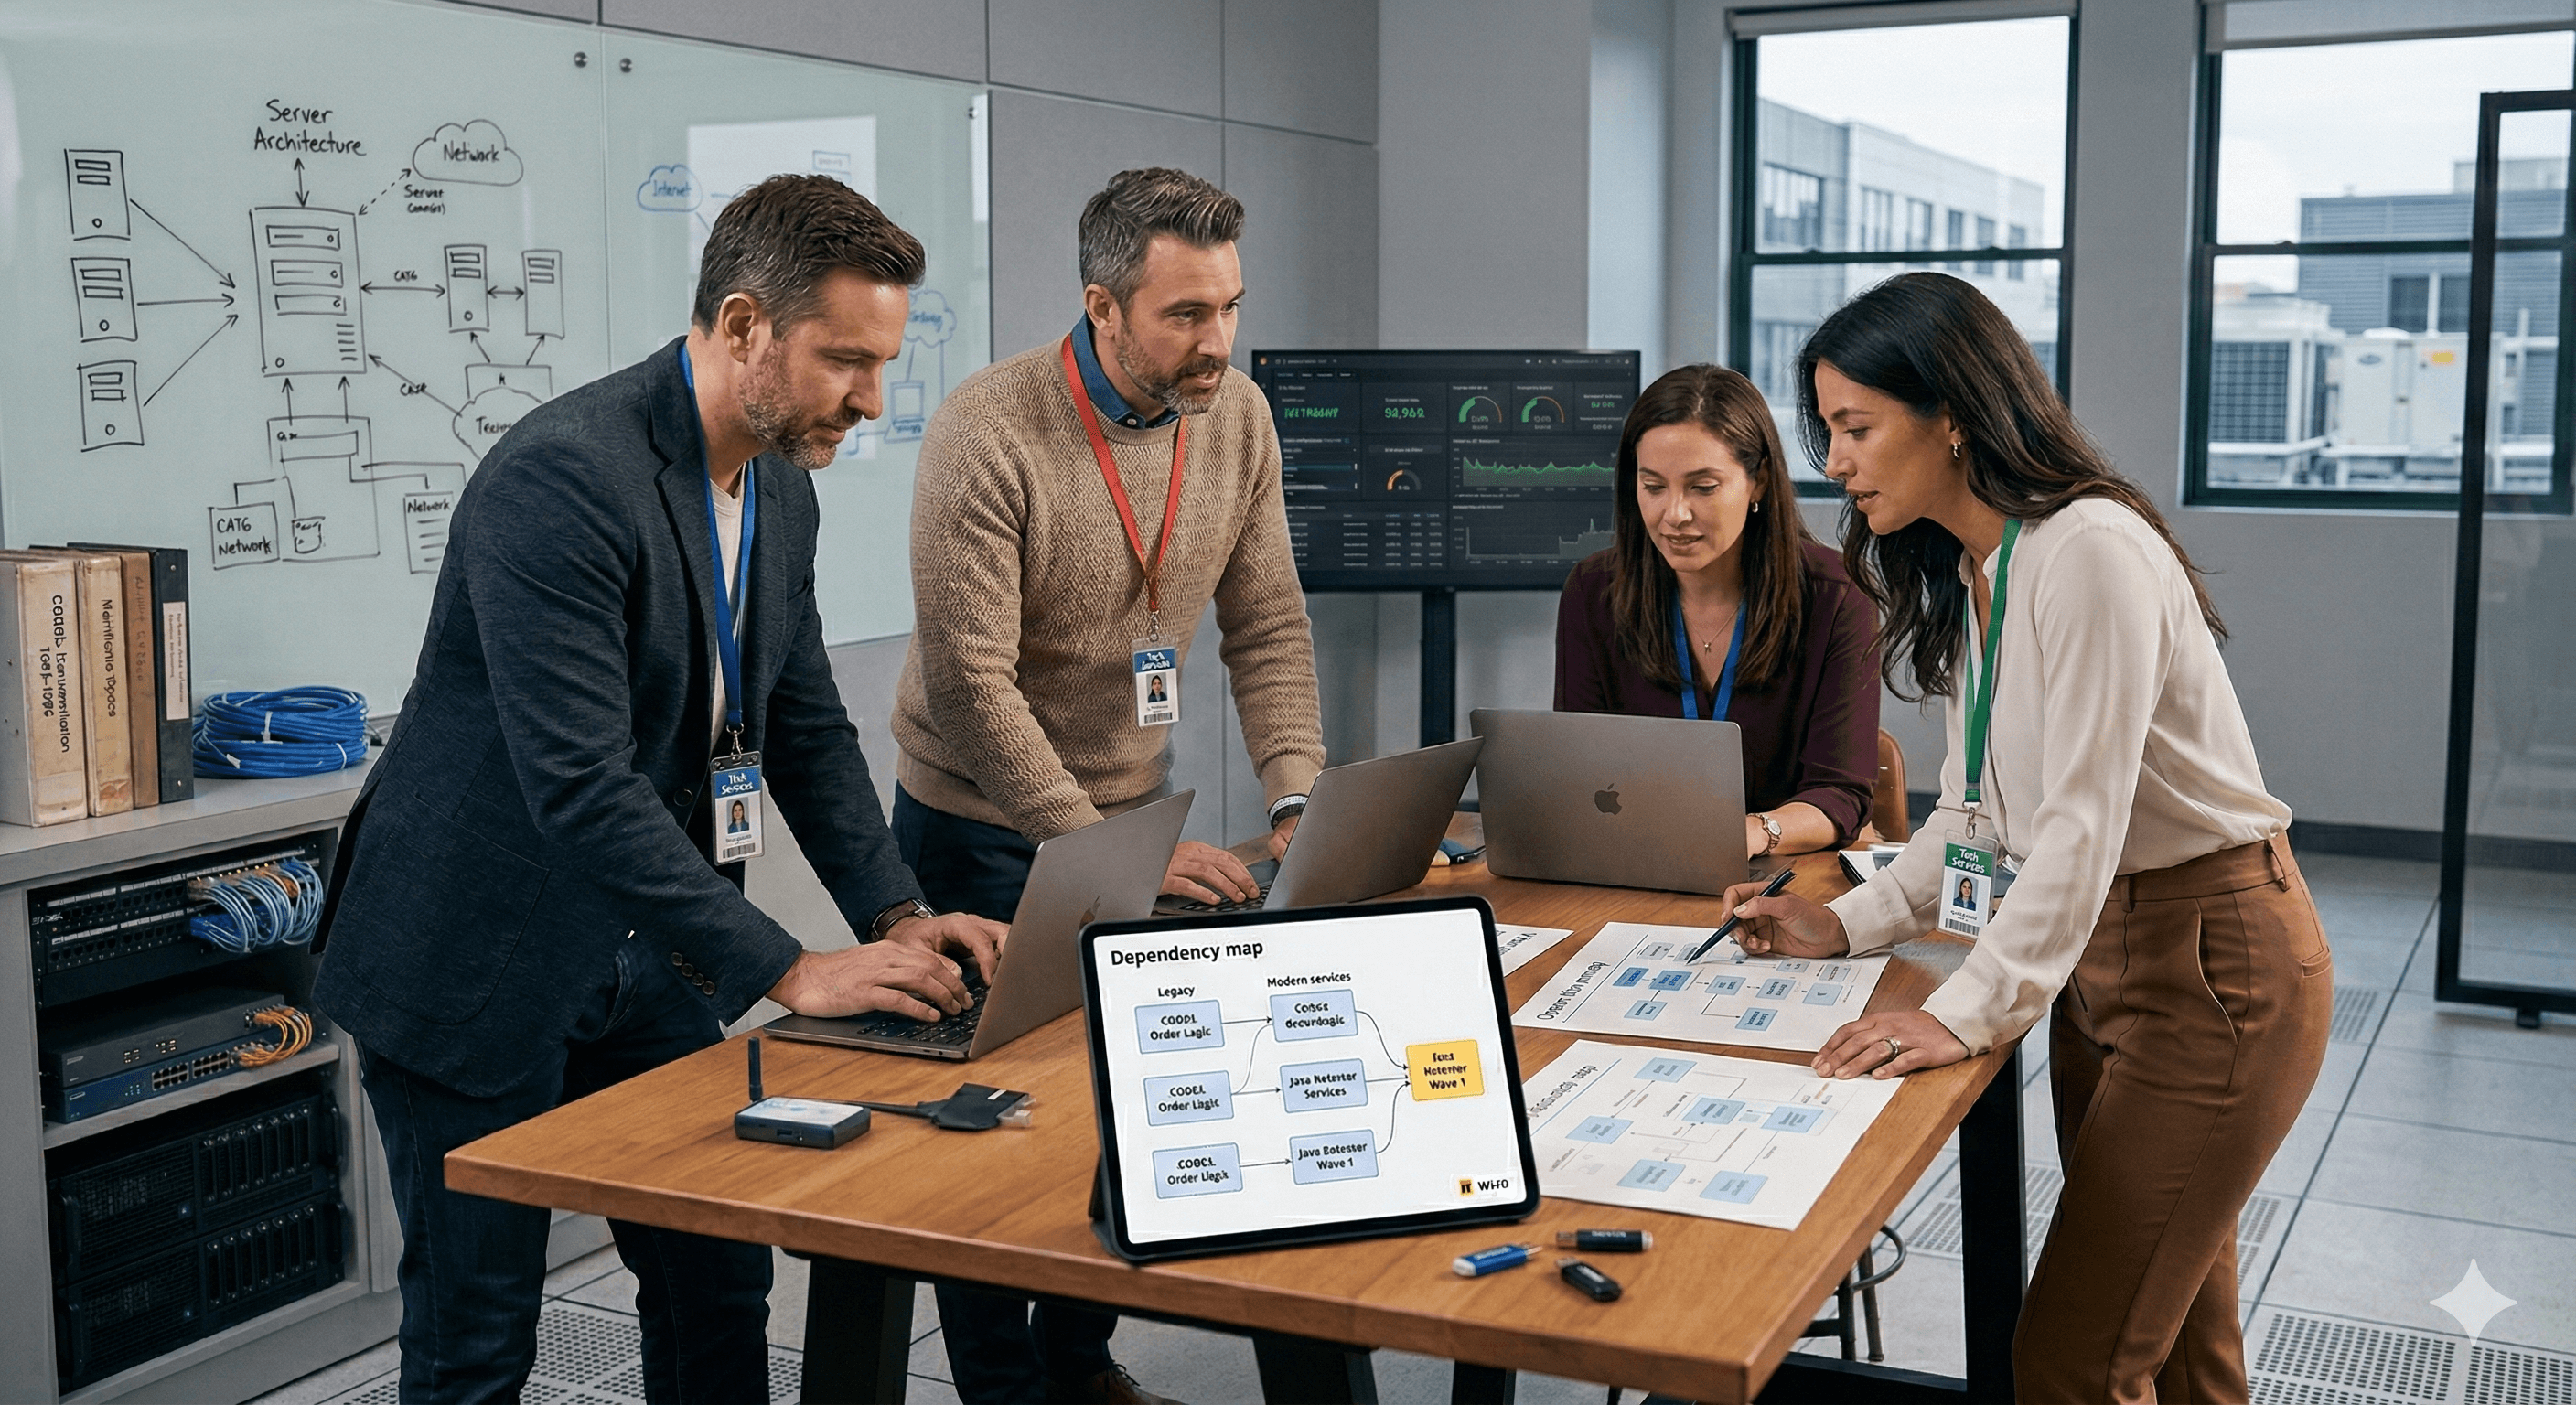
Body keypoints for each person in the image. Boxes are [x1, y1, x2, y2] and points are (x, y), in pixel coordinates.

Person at [313, 176, 1007, 1405]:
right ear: (742, 326)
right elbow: (579, 787)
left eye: (883, 361)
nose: (872, 398)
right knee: (480, 1339)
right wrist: (795, 971)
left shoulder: (779, 481)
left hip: (640, 953)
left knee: (714, 1280)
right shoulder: (563, 480)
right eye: (845, 359)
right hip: (472, 954)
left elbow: (798, 723)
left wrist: (898, 915)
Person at [1722, 273, 2331, 1403]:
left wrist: (1955, 1014)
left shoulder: (2087, 549)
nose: (1834, 464)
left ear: (1949, 414)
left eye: (1855, 428)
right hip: (2103, 959)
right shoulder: (1975, 568)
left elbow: (2078, 829)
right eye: (1829, 433)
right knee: (2178, 1346)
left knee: (2069, 1361)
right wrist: (1843, 925)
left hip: (2215, 966)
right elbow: (1970, 814)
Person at [894, 167, 1324, 1404]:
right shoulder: (988, 428)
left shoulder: (1235, 417)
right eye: (1186, 313)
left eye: (1230, 305)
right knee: (978, 1130)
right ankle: (1003, 1390)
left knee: (1123, 1113)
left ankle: (1080, 1365)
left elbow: (1272, 628)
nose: (1219, 340)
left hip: (1132, 816)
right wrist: (1103, 855)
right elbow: (974, 688)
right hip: (974, 827)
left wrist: (1297, 796)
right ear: (1103, 305)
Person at [1554, 363, 1881, 859]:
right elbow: (1577, 772)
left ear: (1759, 482)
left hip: (1782, 874)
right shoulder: (1593, 592)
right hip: (1634, 863)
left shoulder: (1836, 597)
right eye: (1653, 486)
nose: (1674, 514)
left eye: (1703, 487)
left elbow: (1840, 795)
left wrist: (1753, 832)